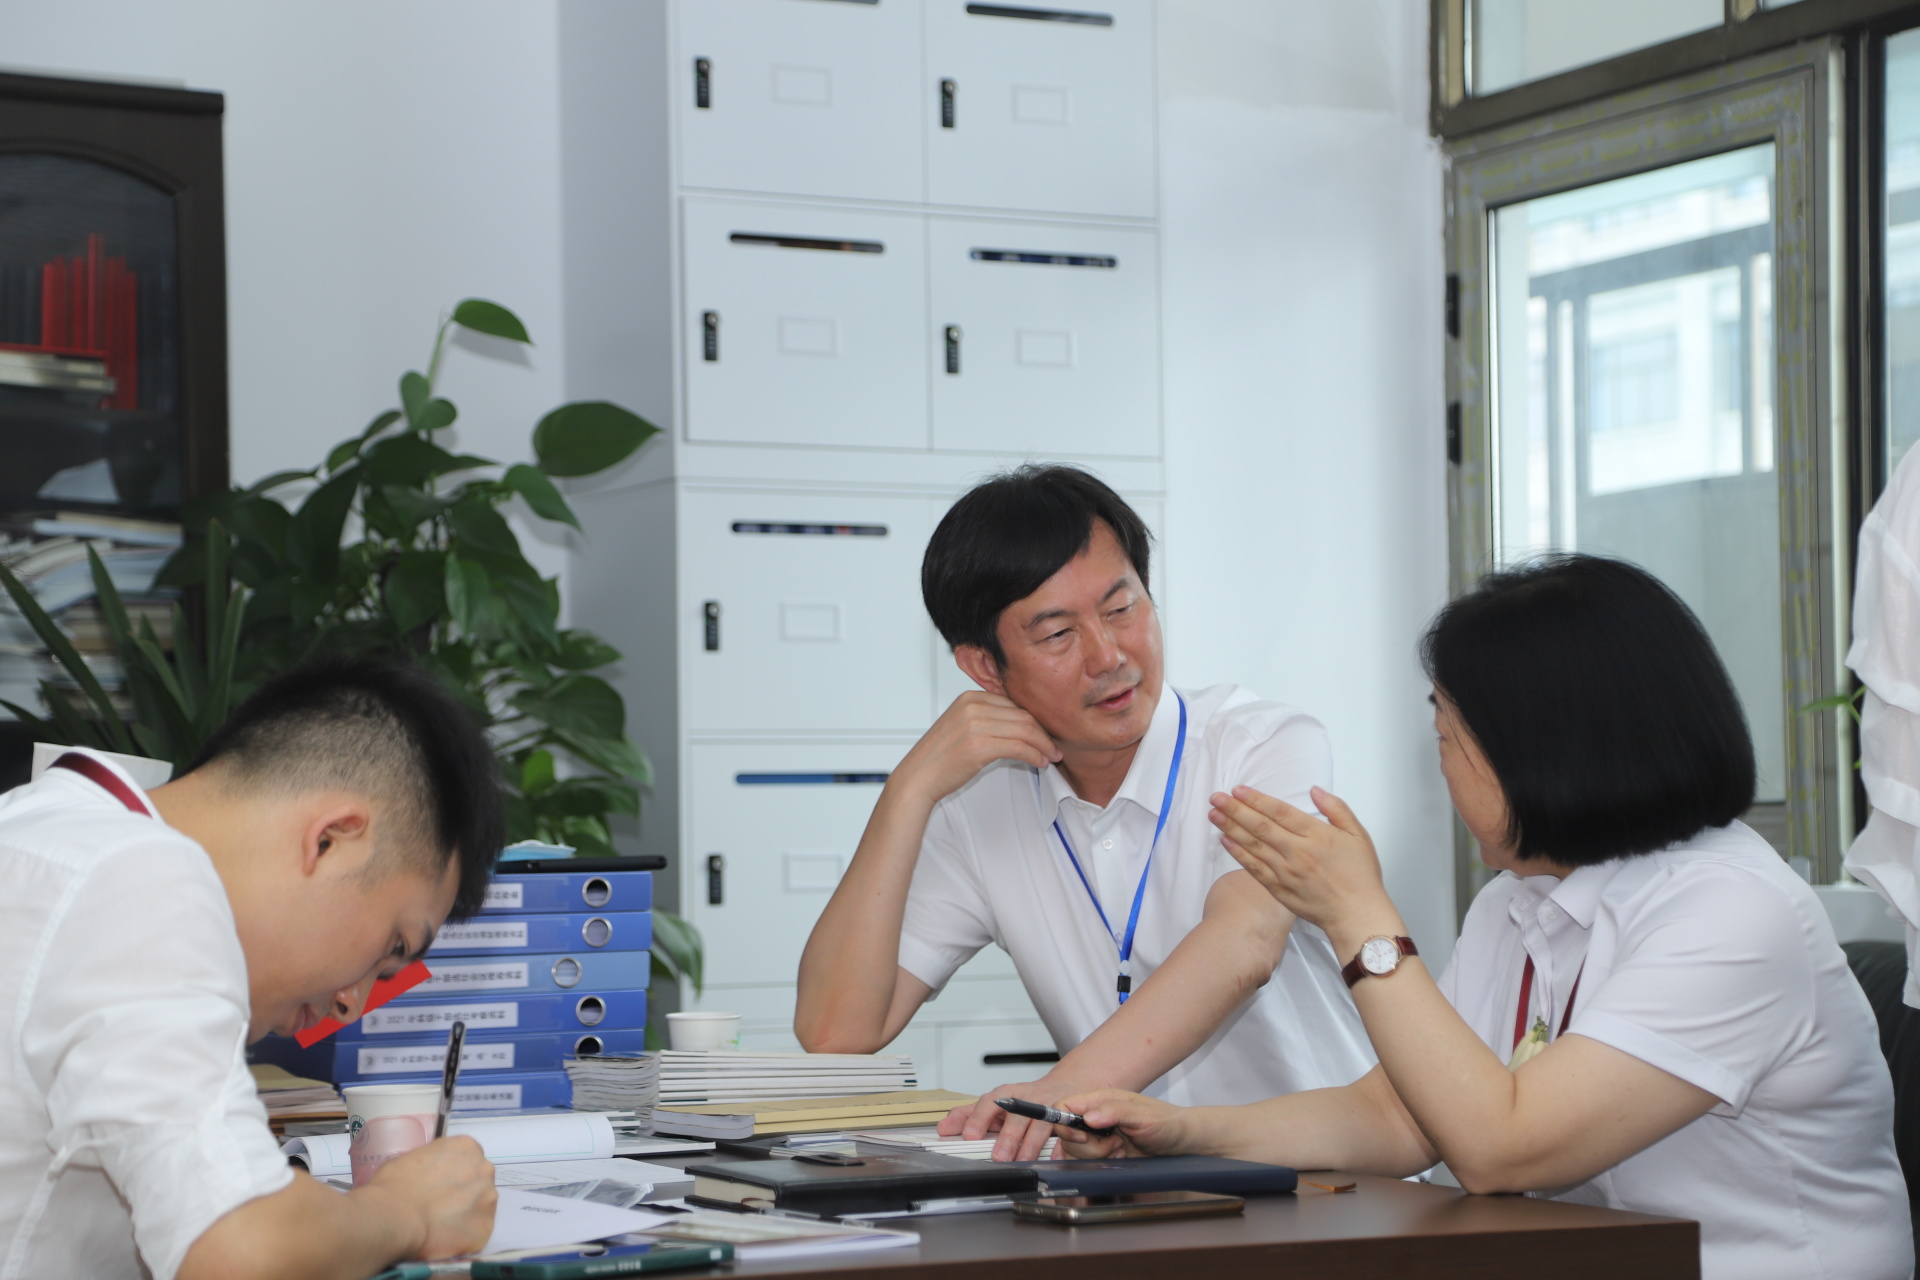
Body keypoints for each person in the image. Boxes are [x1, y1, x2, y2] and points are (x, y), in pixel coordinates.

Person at [1051, 555, 1911, 1280]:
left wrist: (1358, 915)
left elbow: (1504, 1146)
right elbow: (1402, 1116)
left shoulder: (1733, 912)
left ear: (1544, 749)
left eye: (1448, 739)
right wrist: (1179, 1136)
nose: (1442, 768)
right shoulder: (1519, 899)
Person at [795, 464, 1374, 1160]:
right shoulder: (980, 811)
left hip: (1337, 1181)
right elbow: (836, 1033)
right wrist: (908, 791)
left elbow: (1245, 943)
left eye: (1121, 608)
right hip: (1144, 1198)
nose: (1108, 655)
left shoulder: (1261, 746)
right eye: (1057, 635)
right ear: (984, 669)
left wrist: (1059, 1092)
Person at [0, 658, 505, 1280]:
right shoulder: (138, 878)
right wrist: (407, 1212)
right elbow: (239, 1250)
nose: (351, 1003)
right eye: (392, 948)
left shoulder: (39, 822)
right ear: (332, 839)